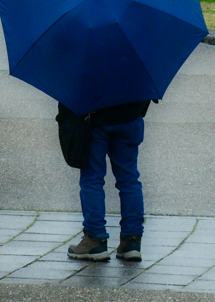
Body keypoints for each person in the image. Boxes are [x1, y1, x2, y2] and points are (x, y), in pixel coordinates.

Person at [63, 99, 154, 262]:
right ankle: (131, 241)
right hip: (130, 116)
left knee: (92, 179)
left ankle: (95, 239)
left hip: (96, 119)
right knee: (129, 180)